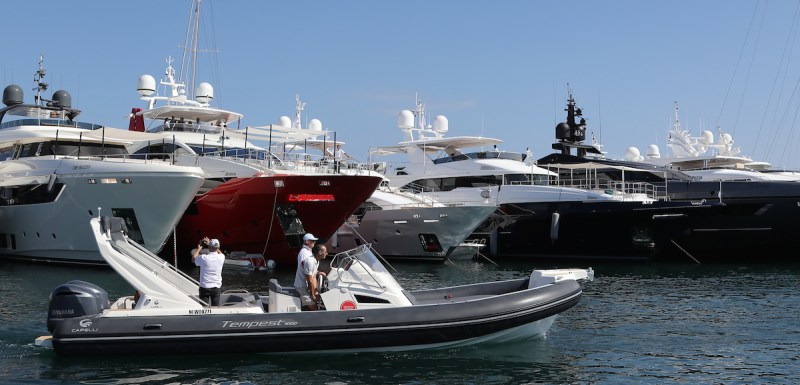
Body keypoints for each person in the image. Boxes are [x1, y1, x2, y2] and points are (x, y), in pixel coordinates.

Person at [294, 233, 327, 310]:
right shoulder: (305, 254)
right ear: (307, 242)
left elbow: (311, 272)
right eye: (313, 241)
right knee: (314, 307)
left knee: (315, 301)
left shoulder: (309, 253)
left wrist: (317, 272)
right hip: (302, 285)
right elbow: (309, 277)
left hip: (307, 284)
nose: (314, 242)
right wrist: (313, 295)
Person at [192, 237, 225, 306]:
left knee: (204, 309)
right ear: (218, 247)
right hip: (216, 288)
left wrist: (198, 249)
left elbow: (193, 259)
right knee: (215, 309)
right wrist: (210, 244)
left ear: (209, 247)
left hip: (204, 287)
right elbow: (220, 252)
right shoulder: (221, 257)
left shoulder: (204, 258)